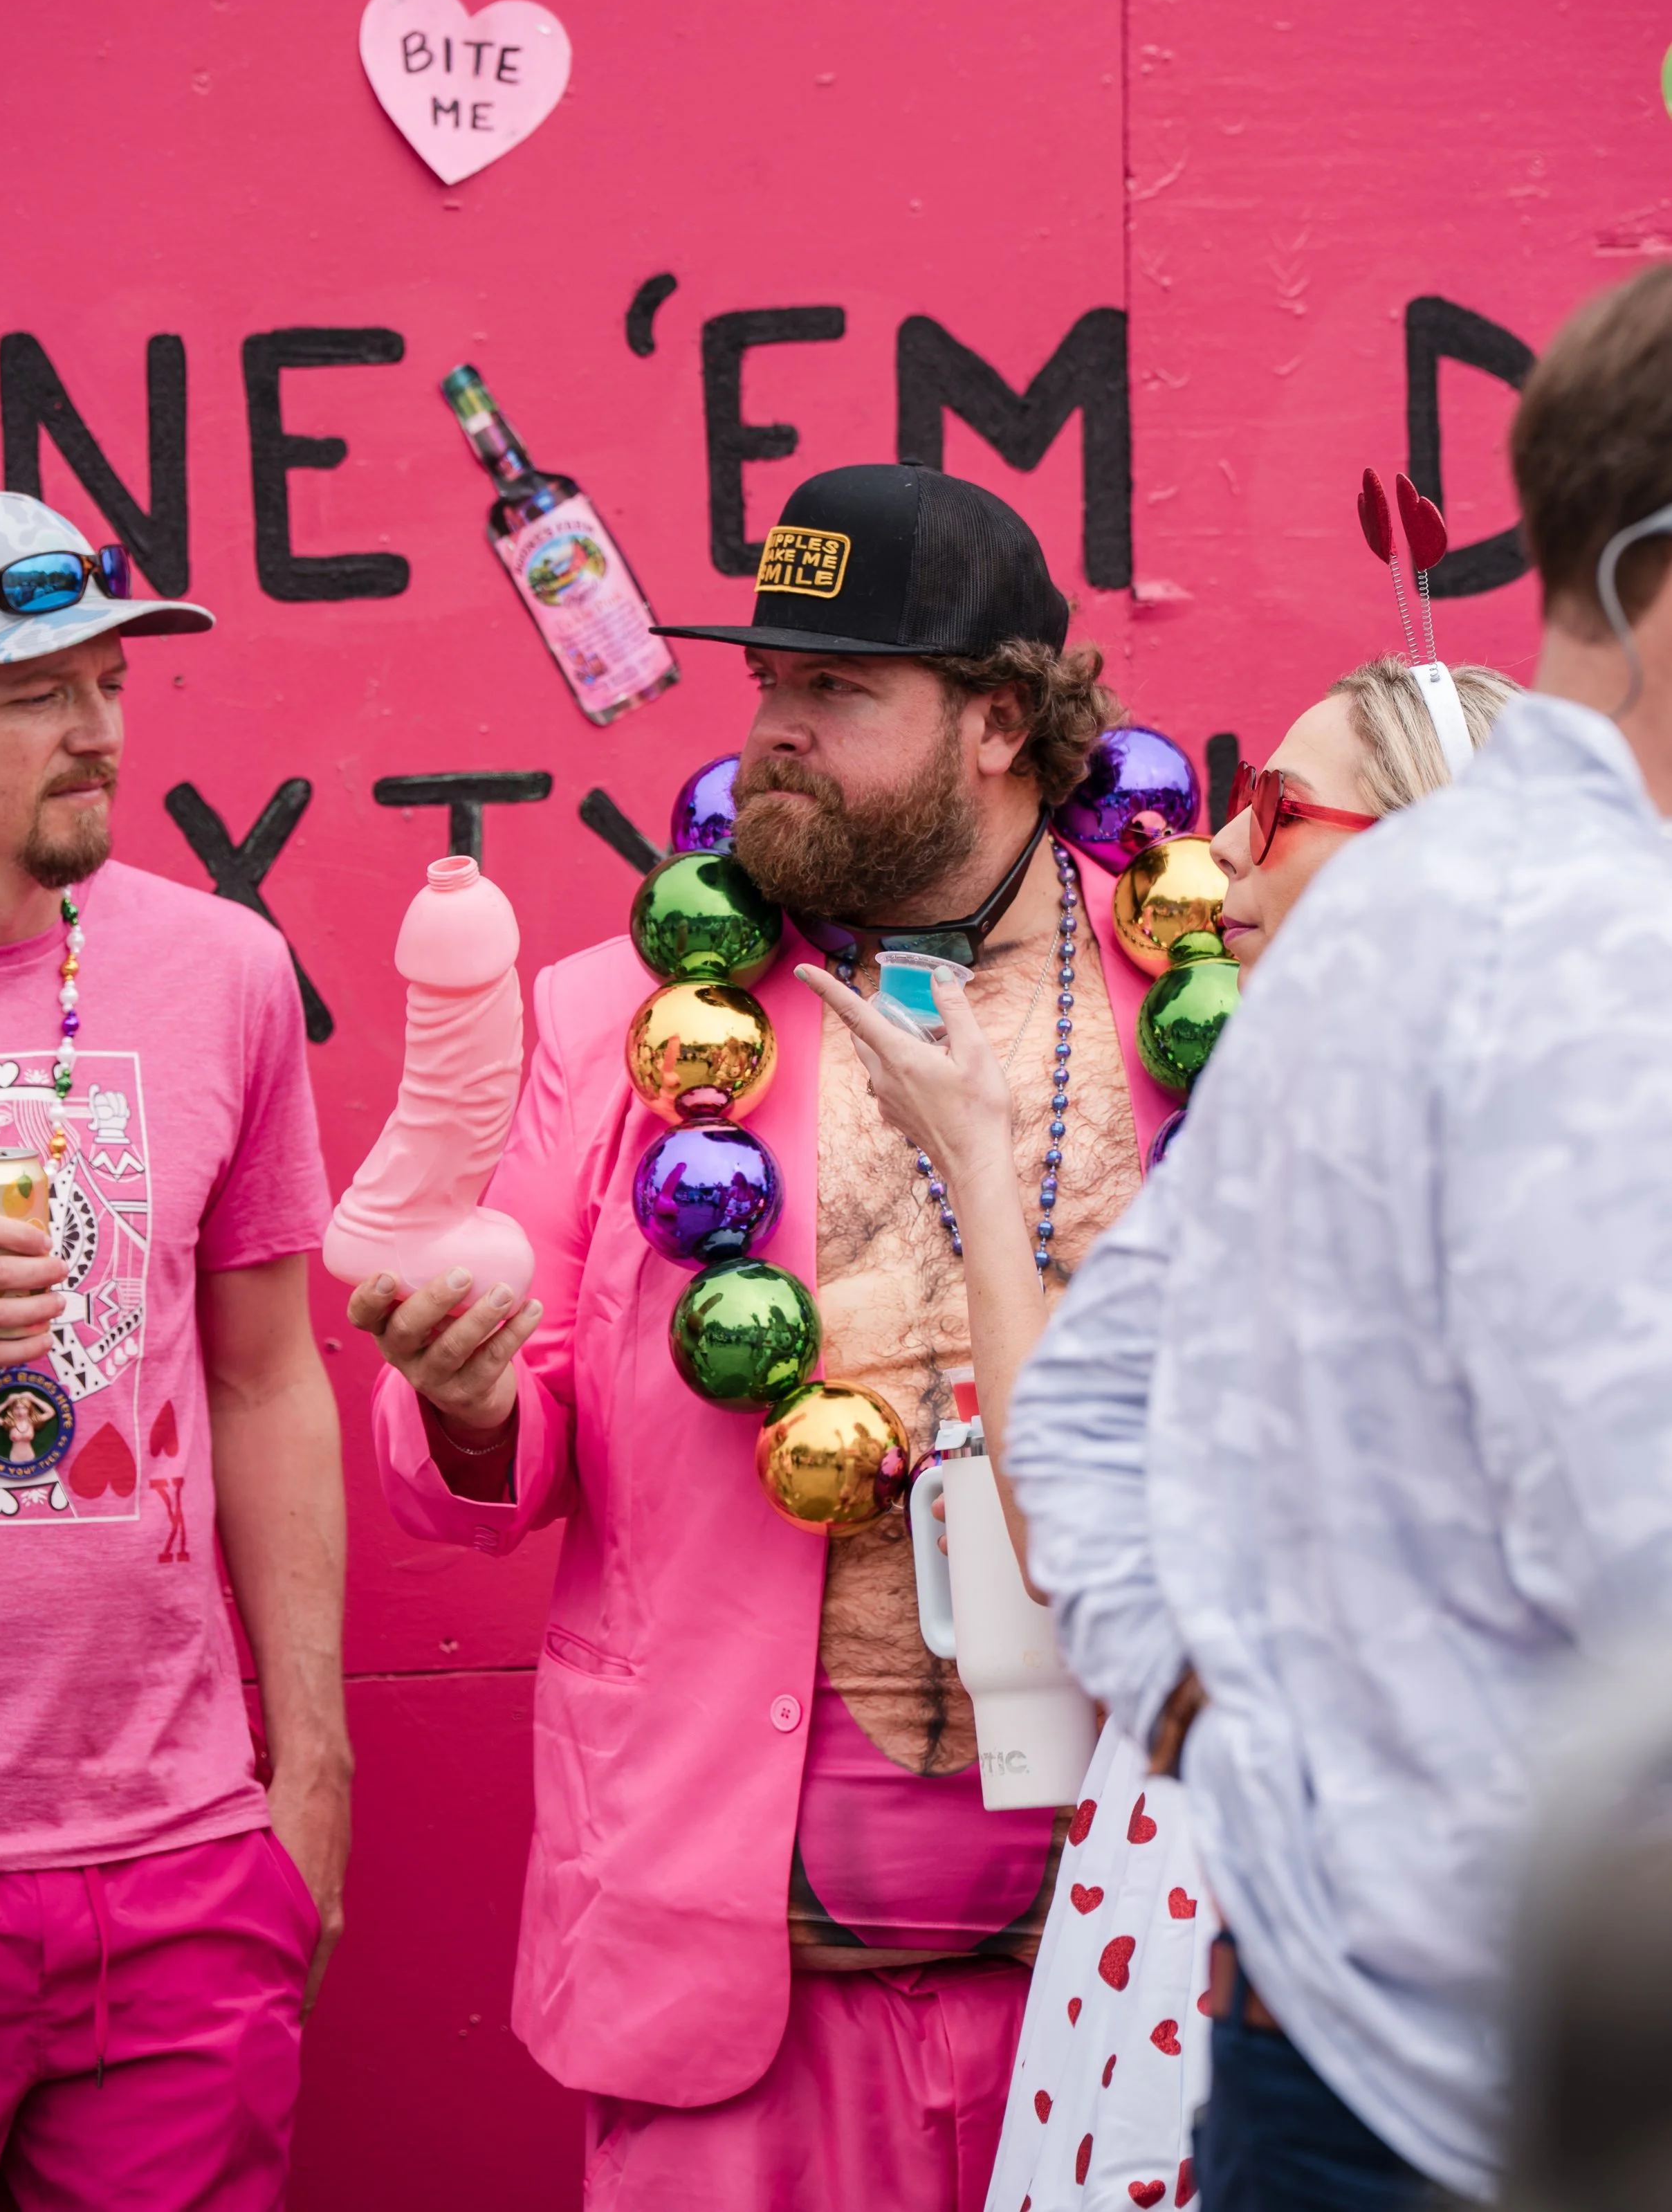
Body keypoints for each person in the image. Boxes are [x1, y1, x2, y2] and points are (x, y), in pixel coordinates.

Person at [352, 462, 1180, 2211]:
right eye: (765, 684)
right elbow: (484, 1481)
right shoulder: (623, 1023)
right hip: (743, 2001)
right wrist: (470, 1398)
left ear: (998, 722)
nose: (774, 731)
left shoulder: (1187, 996)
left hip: (1137, 1976)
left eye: (835, 689)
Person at [1004, 262, 1672, 2212]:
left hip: (1341, 2040)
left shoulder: (1403, 912)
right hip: (1537, 2092)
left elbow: (1088, 1407)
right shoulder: (1592, 950)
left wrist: (1236, 1739)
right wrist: (1242, 1738)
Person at [802, 650, 1514, 2212]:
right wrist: (983, 1156)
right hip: (1195, 1865)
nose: (1225, 848)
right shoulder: (1267, 1134)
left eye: (1276, 806)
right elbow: (1064, 1505)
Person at [0, 492, 348, 2211]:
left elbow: (267, 1378)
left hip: (176, 1869)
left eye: (110, 684)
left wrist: (310, 1770)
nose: (98, 730)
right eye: (38, 693)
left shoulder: (224, 971)